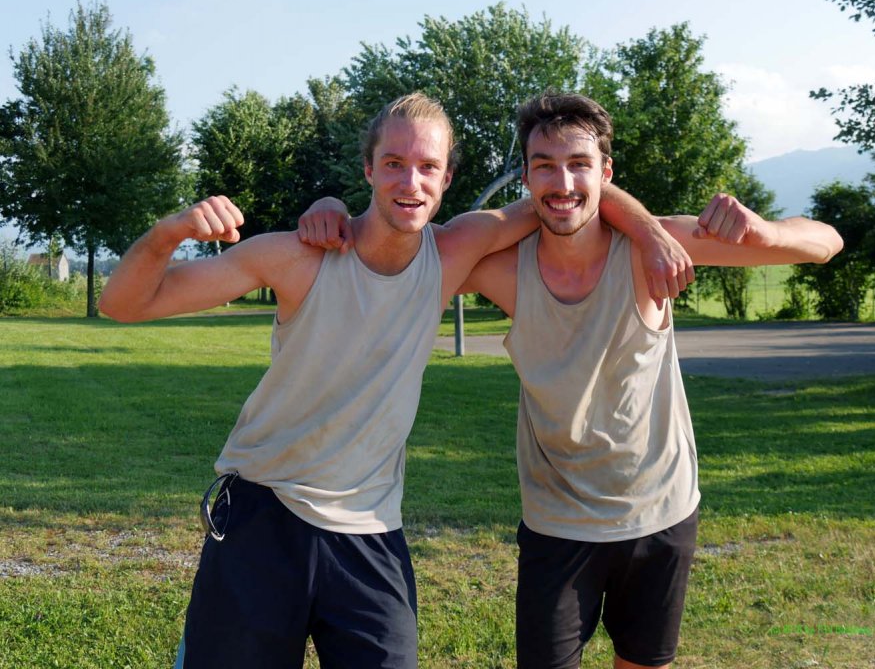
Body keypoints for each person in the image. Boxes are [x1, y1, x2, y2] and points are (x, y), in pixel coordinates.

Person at [99, 92, 690, 669]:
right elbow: (124, 304)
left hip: (371, 534)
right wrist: (168, 233)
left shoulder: (454, 251)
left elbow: (567, 195)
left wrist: (647, 230)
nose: (411, 183)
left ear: (447, 178)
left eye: (427, 167)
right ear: (369, 170)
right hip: (262, 512)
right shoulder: (297, 257)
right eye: (394, 165)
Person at [455, 92, 843, 669]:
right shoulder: (502, 268)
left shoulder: (656, 247)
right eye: (544, 167)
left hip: (661, 511)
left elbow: (825, 242)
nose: (561, 181)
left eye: (579, 164)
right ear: (526, 177)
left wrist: (760, 231)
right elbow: (411, 247)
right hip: (557, 522)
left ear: (606, 173)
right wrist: (332, 210)